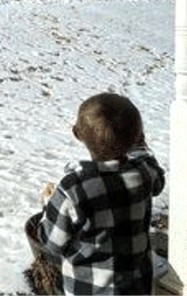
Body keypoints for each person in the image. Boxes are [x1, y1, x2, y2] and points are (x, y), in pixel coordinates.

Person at [25, 92, 165, 295]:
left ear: (77, 133)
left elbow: (51, 242)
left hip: (88, 289)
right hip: (136, 285)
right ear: (137, 135)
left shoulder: (73, 189)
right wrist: (139, 142)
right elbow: (156, 177)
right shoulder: (145, 172)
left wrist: (49, 204)